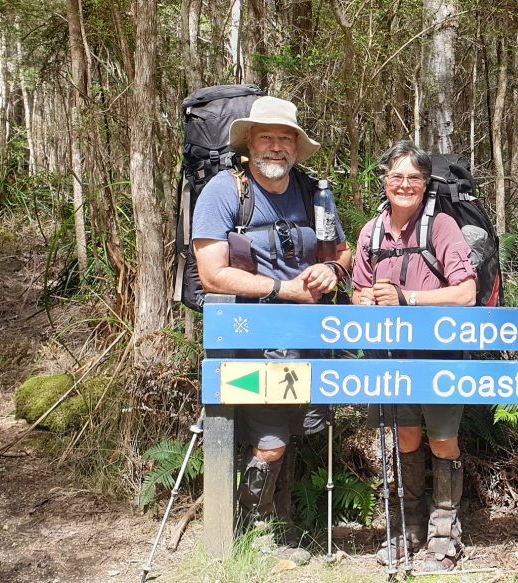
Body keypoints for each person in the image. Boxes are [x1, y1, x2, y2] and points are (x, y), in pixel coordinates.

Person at [191, 96, 352, 535]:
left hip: (309, 339)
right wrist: (283, 290)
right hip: (252, 339)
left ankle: (282, 524)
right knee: (270, 441)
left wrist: (331, 270)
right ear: (250, 143)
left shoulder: (313, 192)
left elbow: (342, 251)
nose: (276, 147)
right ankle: (255, 531)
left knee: (296, 429)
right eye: (267, 138)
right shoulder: (225, 191)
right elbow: (212, 274)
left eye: (286, 138)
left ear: (297, 146)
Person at [351, 140, 476, 571]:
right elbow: (358, 291)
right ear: (384, 181)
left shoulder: (441, 227)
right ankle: (408, 527)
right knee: (405, 437)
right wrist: (364, 301)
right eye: (396, 176)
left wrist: (408, 298)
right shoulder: (371, 233)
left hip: (439, 354)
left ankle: (445, 530)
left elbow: (466, 293)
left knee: (442, 440)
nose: (404, 185)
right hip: (390, 356)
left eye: (414, 178)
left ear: (425, 184)